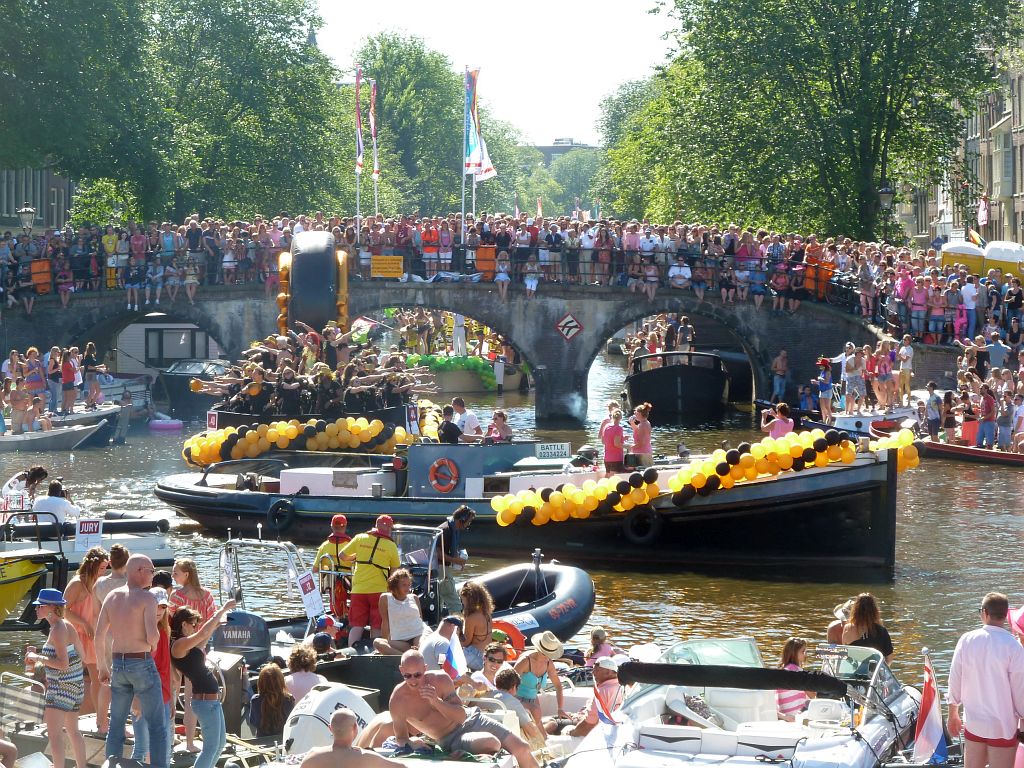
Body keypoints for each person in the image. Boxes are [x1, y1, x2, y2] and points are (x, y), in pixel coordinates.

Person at [389, 650, 539, 768]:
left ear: (425, 668)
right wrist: (414, 743)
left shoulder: (440, 679)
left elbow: (461, 716)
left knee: (522, 748)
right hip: (450, 739)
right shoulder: (398, 700)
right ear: (401, 670)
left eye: (417, 675)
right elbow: (401, 738)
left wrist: (436, 701)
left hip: (473, 719)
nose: (413, 680)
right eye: (407, 676)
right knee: (491, 742)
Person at [95, 554, 168, 768]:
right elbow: (152, 637)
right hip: (141, 662)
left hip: (118, 664)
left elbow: (98, 636)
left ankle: (112, 764)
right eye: (151, 571)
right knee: (157, 725)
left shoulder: (112, 596)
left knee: (116, 723)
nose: (153, 576)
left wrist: (102, 667)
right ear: (139, 571)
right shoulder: (147, 598)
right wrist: (154, 643)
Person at [947, 592, 1024, 768]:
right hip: (1003, 725)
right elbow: (1020, 691)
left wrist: (953, 714)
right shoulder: (1014, 647)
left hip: (975, 723)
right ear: (1005, 615)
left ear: (985, 612)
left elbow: (955, 679)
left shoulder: (966, 640)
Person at [25, 588, 88, 768]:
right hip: (75, 685)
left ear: (52, 607)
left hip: (60, 687)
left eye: (40, 605)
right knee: (74, 731)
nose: (36, 608)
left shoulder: (58, 630)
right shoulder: (66, 625)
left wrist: (37, 657)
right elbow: (82, 656)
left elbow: (63, 664)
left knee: (54, 735)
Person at [170, 600, 236, 768]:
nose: (195, 628)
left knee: (219, 745)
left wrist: (216, 625)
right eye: (193, 624)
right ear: (183, 624)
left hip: (211, 700)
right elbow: (202, 634)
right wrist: (221, 610)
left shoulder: (186, 645)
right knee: (210, 748)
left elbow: (203, 640)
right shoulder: (178, 645)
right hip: (205, 701)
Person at [169, 557, 217, 750]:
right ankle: (190, 742)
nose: (173, 576)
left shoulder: (177, 597)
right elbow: (212, 623)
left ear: (187, 574)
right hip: (198, 650)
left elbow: (170, 624)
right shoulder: (207, 596)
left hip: (178, 649)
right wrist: (200, 645)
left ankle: (171, 736)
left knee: (173, 693)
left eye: (176, 573)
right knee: (191, 697)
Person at [63, 546, 109, 733]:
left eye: (106, 568)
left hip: (94, 636)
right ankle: (63, 717)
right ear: (92, 566)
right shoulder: (77, 583)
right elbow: (62, 610)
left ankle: (100, 719)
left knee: (98, 678)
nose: (104, 571)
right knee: (69, 677)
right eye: (102, 568)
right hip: (77, 636)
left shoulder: (100, 583)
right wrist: (84, 623)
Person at [339, 514, 400, 649]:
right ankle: (374, 651)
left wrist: (356, 557)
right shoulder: (391, 545)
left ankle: (350, 651)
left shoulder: (360, 538)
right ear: (390, 528)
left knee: (356, 625)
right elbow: (394, 571)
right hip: (379, 591)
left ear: (376, 525)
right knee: (376, 625)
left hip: (358, 589)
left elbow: (342, 555)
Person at [130, 587, 173, 768]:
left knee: (164, 750)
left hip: (162, 696)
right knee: (142, 747)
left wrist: (171, 698)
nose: (159, 611)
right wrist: (137, 698)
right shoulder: (138, 632)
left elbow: (166, 668)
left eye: (163, 607)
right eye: (155, 605)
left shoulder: (163, 631)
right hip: (144, 696)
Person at [300, 709, 405, 768]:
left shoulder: (313, 755)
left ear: (330, 728)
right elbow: (402, 767)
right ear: (355, 727)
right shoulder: (366, 757)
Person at [514, 631, 569, 735]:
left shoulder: (549, 663)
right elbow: (508, 684)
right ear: (539, 649)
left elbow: (558, 686)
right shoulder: (525, 661)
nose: (547, 657)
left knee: (548, 730)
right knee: (538, 733)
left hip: (533, 700)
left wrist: (560, 708)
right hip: (517, 700)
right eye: (545, 654)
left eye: (550, 655)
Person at [558, 657, 623, 738]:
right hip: (603, 727)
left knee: (551, 722)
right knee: (559, 717)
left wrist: (571, 733)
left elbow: (589, 724)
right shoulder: (621, 687)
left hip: (595, 731)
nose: (593, 672)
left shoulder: (602, 692)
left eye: (596, 670)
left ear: (608, 672)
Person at [373, 569, 426, 656]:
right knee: (377, 643)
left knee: (422, 645)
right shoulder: (385, 598)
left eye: (409, 585)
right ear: (395, 585)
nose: (407, 588)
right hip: (400, 641)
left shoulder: (414, 598)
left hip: (418, 635)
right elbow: (385, 622)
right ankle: (405, 658)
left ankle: (413, 655)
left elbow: (421, 620)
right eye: (404, 585)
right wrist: (385, 642)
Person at [437, 505, 475, 615]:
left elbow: (448, 551)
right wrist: (455, 561)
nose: (468, 524)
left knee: (439, 601)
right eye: (468, 521)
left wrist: (458, 562)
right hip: (442, 570)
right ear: (462, 519)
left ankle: (438, 621)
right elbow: (437, 553)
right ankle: (457, 623)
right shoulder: (446, 530)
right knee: (455, 604)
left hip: (441, 569)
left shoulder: (451, 528)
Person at [312, 514, 352, 618]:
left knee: (333, 588)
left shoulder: (324, 546)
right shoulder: (351, 545)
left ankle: (338, 616)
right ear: (345, 526)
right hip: (350, 583)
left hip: (332, 583)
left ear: (332, 526)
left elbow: (315, 569)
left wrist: (328, 567)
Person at [840, 592, 894, 664]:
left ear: (855, 610)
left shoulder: (848, 628)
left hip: (854, 669)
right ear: (874, 611)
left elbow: (845, 652)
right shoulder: (882, 631)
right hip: (874, 669)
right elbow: (889, 659)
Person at [249, 664, 296, 738]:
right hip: (283, 740)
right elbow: (292, 723)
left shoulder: (255, 700)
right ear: (281, 682)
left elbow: (253, 722)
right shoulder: (289, 699)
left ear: (260, 682)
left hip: (261, 741)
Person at [775, 638, 815, 721]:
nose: (805, 654)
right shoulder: (797, 672)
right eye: (803, 651)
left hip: (785, 714)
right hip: (797, 714)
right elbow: (812, 695)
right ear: (794, 654)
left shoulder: (781, 672)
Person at [459, 581, 494, 672]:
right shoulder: (487, 613)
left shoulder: (472, 617)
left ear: (469, 600)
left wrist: (455, 637)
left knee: (449, 655)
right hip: (487, 654)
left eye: (463, 600)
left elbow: (466, 642)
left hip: (477, 657)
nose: (463, 603)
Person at [601, 410, 627, 476]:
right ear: (621, 418)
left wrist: (622, 438)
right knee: (614, 479)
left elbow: (603, 441)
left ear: (612, 416)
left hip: (607, 457)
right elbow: (616, 444)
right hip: (616, 458)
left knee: (607, 476)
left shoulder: (606, 426)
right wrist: (628, 446)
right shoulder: (619, 428)